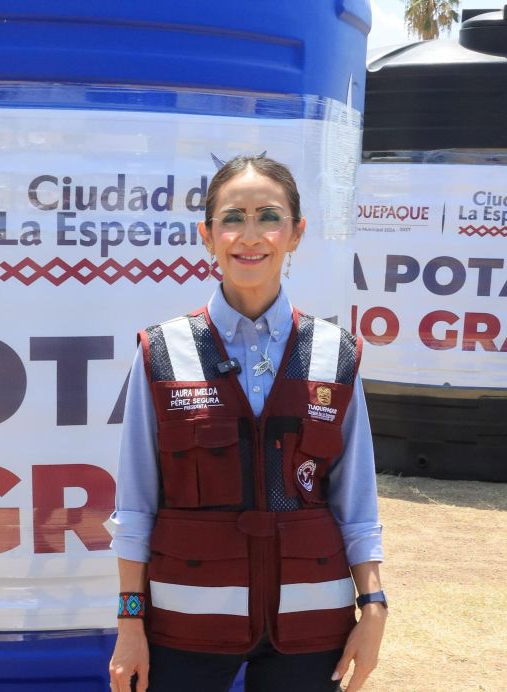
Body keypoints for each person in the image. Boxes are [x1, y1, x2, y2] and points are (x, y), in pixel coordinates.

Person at [108, 154, 386, 692]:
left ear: (297, 233)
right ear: (207, 236)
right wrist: (129, 621)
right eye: (232, 218)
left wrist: (373, 605)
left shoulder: (337, 354)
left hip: (312, 625)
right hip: (185, 626)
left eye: (269, 216)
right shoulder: (162, 351)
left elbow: (357, 503)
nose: (249, 235)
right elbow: (136, 505)